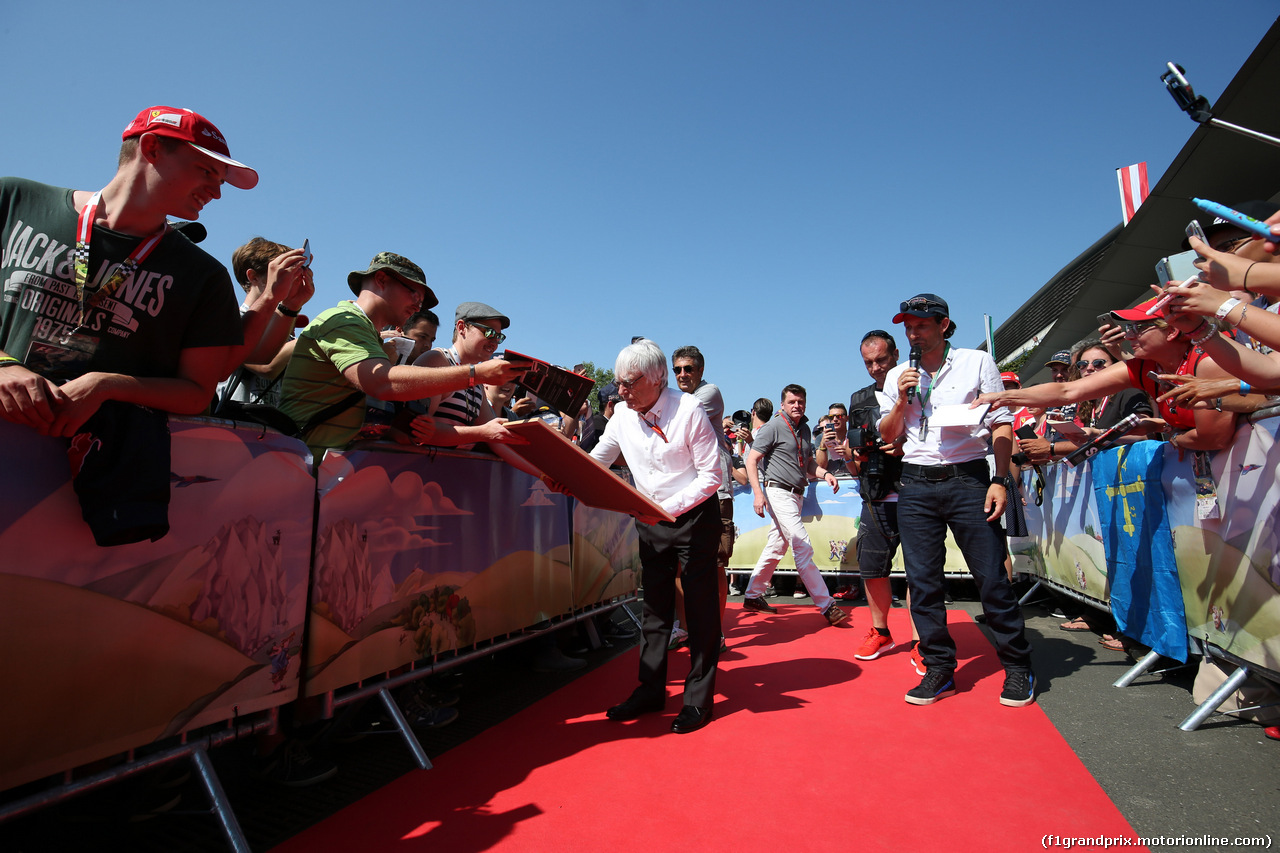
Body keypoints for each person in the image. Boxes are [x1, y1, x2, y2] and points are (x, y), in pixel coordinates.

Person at [0, 106, 259, 436]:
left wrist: (106, 385)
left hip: (96, 470)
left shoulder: (205, 276)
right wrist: (3, 367)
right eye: (207, 171)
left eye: (221, 181)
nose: (218, 192)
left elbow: (196, 392)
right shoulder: (14, 201)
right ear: (151, 148)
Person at [879, 293, 1035, 707]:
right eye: (908, 326)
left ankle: (1018, 667)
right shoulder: (898, 373)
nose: (913, 333)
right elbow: (888, 436)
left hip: (968, 478)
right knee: (923, 583)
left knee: (991, 578)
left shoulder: (976, 362)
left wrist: (1000, 479)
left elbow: (1002, 423)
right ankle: (939, 669)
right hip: (914, 484)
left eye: (922, 325)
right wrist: (899, 397)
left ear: (944, 325)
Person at [589, 339, 723, 734]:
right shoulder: (621, 418)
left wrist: (667, 510)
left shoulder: (690, 410)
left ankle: (698, 700)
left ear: (658, 378)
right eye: (617, 383)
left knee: (699, 611)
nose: (620, 391)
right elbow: (596, 461)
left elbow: (711, 476)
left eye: (629, 383)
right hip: (650, 519)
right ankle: (650, 691)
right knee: (655, 609)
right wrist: (564, 474)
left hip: (695, 516)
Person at [276, 254, 529, 455]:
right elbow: (382, 382)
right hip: (306, 464)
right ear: (382, 279)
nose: (419, 305)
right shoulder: (345, 321)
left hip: (326, 468)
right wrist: (475, 374)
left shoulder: (369, 335)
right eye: (414, 293)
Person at [740, 384, 850, 627]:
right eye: (792, 402)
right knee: (802, 545)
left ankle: (752, 595)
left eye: (800, 401)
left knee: (777, 546)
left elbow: (808, 463)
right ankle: (827, 605)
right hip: (778, 491)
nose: (797, 405)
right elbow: (751, 460)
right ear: (782, 404)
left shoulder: (804, 429)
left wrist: (823, 473)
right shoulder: (773, 426)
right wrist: (758, 494)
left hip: (796, 494)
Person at [838, 330, 916, 664]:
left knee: (920, 571)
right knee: (871, 569)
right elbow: (858, 450)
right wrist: (851, 452)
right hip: (875, 494)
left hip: (916, 491)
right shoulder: (859, 399)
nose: (875, 368)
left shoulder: (920, 389)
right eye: (868, 362)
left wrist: (904, 445)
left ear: (896, 355)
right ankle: (880, 631)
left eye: (881, 360)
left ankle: (921, 638)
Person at [668, 345, 734, 651]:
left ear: (701, 371)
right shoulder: (673, 398)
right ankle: (684, 628)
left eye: (688, 369)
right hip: (686, 492)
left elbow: (675, 422)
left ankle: (715, 631)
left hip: (716, 491)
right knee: (682, 564)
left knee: (715, 564)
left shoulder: (709, 394)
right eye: (677, 370)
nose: (682, 375)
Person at [214, 237, 315, 411]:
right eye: (283, 272)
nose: (291, 279)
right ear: (253, 277)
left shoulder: (285, 329)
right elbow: (266, 365)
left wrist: (293, 306)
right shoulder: (231, 319)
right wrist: (318, 334)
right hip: (230, 426)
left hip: (268, 430)